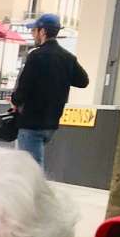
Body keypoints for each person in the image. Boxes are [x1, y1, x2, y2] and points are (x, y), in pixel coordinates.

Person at [11, 13, 89, 168]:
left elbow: (24, 87)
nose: (33, 34)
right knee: (29, 165)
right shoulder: (67, 57)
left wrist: (15, 101)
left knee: (30, 168)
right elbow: (83, 81)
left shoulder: (36, 56)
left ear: (43, 32)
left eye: (34, 30)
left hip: (31, 122)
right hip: (51, 123)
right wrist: (61, 77)